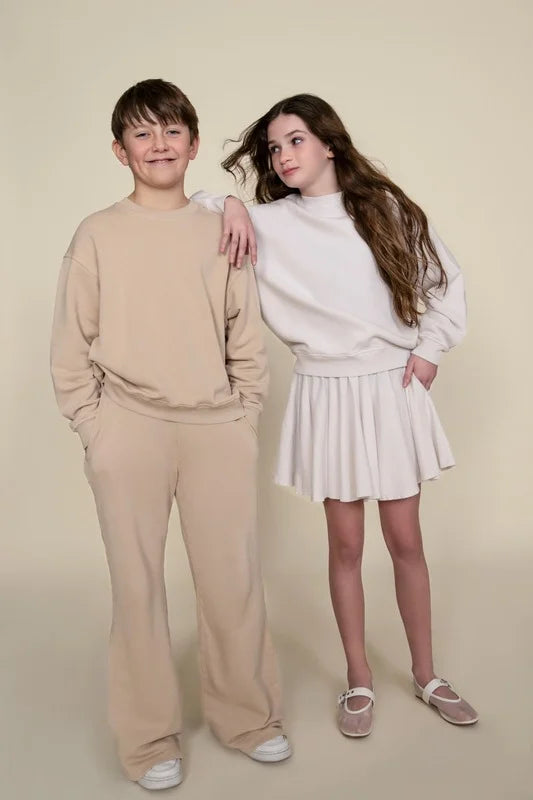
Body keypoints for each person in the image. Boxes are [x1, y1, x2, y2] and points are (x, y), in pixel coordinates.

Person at [192, 93, 478, 737]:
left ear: (328, 143)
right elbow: (197, 206)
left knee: (406, 541)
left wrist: (429, 350)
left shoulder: (385, 209)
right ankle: (359, 679)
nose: (283, 156)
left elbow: (443, 280)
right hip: (325, 389)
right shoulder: (268, 223)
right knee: (345, 545)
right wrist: (231, 202)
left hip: (390, 386)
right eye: (274, 148)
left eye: (295, 140)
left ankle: (427, 674)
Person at [50, 78, 291, 790]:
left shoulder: (221, 229)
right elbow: (71, 343)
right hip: (129, 427)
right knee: (137, 590)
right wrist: (95, 427)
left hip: (217, 428)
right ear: (120, 150)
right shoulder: (97, 233)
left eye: (172, 131)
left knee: (233, 581)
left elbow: (244, 332)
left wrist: (244, 415)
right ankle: (149, 737)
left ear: (192, 143)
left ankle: (247, 718)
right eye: (142, 133)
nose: (158, 144)